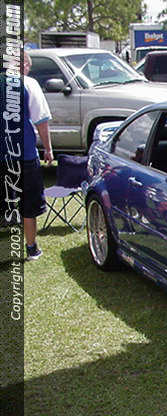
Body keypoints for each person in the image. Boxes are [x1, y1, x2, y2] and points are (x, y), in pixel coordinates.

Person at [22, 51, 54, 260]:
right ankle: (31, 247)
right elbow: (41, 120)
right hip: (24, 154)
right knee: (28, 204)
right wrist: (48, 148)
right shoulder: (29, 84)